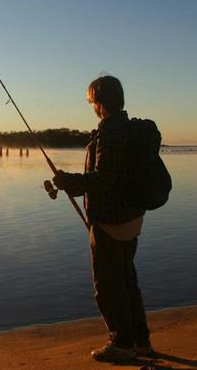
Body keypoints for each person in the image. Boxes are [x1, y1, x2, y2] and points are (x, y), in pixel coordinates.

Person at [52, 75, 153, 362]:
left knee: (108, 287)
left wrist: (67, 181)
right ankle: (141, 341)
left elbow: (103, 178)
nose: (91, 107)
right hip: (132, 218)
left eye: (91, 102)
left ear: (99, 102)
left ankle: (121, 343)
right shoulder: (130, 129)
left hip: (111, 220)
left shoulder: (110, 131)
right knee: (128, 281)